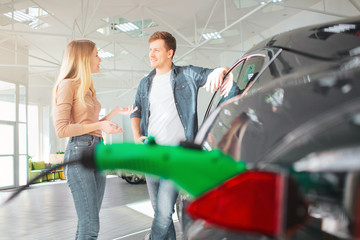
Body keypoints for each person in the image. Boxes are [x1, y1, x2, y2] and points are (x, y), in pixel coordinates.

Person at [130, 31, 233, 240]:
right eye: (150, 50)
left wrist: (222, 70)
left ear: (170, 53)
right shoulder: (144, 83)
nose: (151, 54)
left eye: (156, 50)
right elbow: (136, 111)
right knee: (160, 212)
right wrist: (136, 135)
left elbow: (216, 72)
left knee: (163, 213)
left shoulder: (187, 75)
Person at [53, 39, 135, 240]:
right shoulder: (66, 85)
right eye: (96, 54)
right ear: (84, 58)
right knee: (90, 224)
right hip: (79, 153)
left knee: (90, 220)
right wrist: (99, 125)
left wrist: (112, 115)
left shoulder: (88, 88)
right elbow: (62, 129)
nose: (100, 59)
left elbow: (89, 123)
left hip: (97, 150)